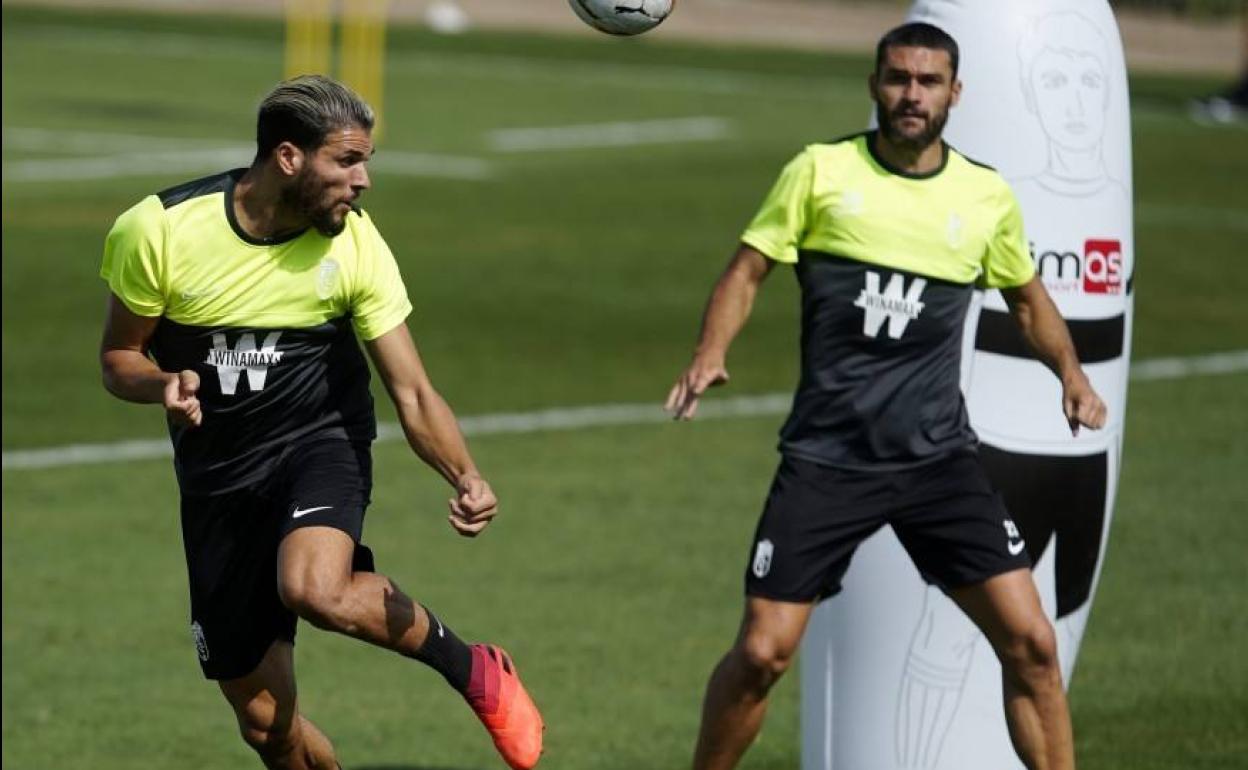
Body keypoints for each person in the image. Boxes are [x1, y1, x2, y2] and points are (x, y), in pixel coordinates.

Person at [665, 23, 1106, 770]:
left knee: (1032, 644)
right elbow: (747, 271)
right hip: (827, 459)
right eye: (898, 78)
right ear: (874, 84)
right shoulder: (819, 172)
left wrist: (1070, 372)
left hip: (937, 463)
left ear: (954, 94)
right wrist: (711, 352)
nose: (912, 95)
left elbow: (1028, 301)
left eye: (928, 82)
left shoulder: (984, 196)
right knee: (764, 654)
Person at [98, 75, 542, 770]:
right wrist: (161, 382)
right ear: (288, 158)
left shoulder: (354, 246)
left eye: (365, 161)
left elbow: (414, 392)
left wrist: (466, 474)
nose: (362, 180)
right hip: (218, 480)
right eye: (347, 161)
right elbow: (118, 356)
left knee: (315, 589)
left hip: (319, 444)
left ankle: (474, 667)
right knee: (268, 727)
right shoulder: (158, 230)